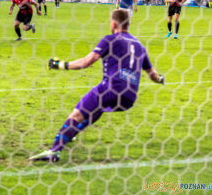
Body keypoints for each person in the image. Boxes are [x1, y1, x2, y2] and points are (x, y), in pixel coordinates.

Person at [29, 9, 165, 162]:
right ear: (128, 24)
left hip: (110, 88)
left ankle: (54, 150)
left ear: (113, 23)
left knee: (76, 115)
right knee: (96, 110)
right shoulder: (140, 46)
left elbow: (86, 62)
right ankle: (69, 135)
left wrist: (60, 65)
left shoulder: (110, 39)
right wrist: (161, 79)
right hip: (129, 97)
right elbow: (152, 74)